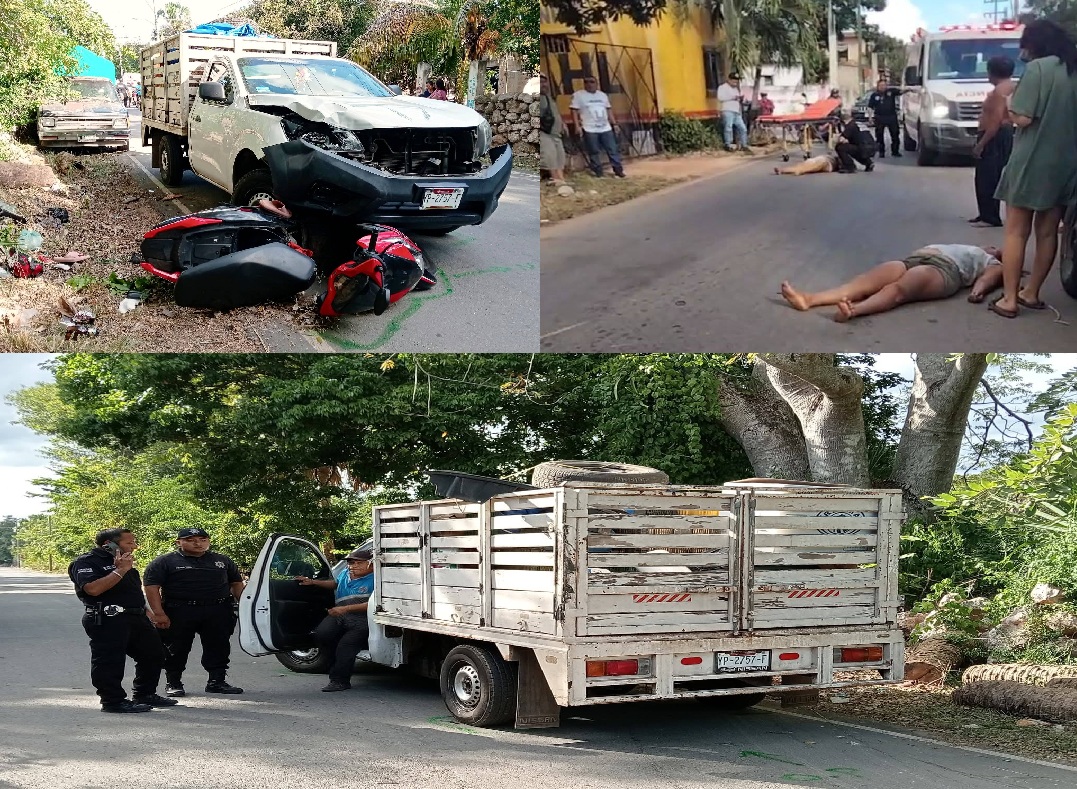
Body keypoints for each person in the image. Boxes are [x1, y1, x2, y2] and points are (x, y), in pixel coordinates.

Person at [991, 19, 1077, 319]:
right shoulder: (1072, 69)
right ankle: (1032, 293)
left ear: (1035, 44)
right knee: (1048, 232)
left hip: (1032, 160)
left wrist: (1010, 100)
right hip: (1065, 163)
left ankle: (1010, 299)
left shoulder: (1038, 70)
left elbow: (1023, 118)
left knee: (1016, 232)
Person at [68, 528, 175, 713]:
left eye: (134, 542)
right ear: (108, 544)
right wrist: (121, 570)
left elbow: (132, 593)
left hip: (135, 616)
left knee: (154, 654)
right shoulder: (86, 562)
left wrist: (150, 614)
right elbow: (92, 589)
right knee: (110, 661)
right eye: (129, 543)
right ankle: (112, 701)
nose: (134, 546)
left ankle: (144, 693)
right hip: (107, 618)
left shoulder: (124, 563)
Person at [780, 244, 1004, 322]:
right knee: (861, 283)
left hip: (943, 270)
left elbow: (989, 277)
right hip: (911, 260)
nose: (993, 247)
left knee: (897, 291)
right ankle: (809, 299)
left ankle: (854, 311)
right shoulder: (965, 245)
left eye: (998, 249)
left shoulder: (990, 260)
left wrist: (978, 292)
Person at [143, 527, 246, 697]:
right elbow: (152, 587)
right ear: (179, 542)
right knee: (176, 648)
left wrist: (245, 606)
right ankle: (173, 682)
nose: (198, 543)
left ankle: (217, 681)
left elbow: (236, 584)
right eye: (191, 540)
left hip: (218, 610)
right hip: (180, 610)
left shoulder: (222, 560)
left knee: (219, 646)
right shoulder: (165, 562)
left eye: (202, 539)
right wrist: (158, 613)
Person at [294, 546, 375, 692]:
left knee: (346, 647)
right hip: (340, 615)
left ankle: (339, 681)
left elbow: (373, 604)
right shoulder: (345, 573)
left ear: (371, 564)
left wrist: (345, 609)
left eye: (358, 563)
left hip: (362, 619)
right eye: (351, 563)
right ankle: (338, 662)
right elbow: (335, 584)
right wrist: (313, 582)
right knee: (321, 635)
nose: (353, 566)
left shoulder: (378, 579)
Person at [970, 57, 1017, 229]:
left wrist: (981, 144)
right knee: (992, 174)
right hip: (1003, 134)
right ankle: (985, 213)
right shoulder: (1012, 86)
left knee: (987, 176)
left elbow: (996, 120)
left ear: (992, 72)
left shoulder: (999, 92)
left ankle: (990, 216)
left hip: (994, 135)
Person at [570, 75, 625, 178]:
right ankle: (598, 171)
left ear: (596, 83)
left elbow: (608, 110)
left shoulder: (602, 95)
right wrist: (577, 126)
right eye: (586, 82)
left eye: (592, 82)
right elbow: (574, 111)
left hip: (605, 127)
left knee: (612, 149)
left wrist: (615, 124)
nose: (589, 84)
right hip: (589, 128)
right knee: (593, 151)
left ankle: (618, 170)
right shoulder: (579, 95)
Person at [539, 74, 566, 185]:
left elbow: (555, 112)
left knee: (560, 156)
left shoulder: (548, 97)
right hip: (544, 132)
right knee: (550, 155)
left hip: (555, 133)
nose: (543, 84)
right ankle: (556, 180)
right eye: (540, 82)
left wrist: (563, 124)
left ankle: (561, 180)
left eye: (545, 82)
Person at [834, 109, 875, 174]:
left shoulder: (850, 125)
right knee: (854, 148)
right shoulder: (859, 123)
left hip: (863, 148)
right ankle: (868, 163)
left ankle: (849, 167)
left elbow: (841, 140)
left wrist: (837, 137)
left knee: (840, 147)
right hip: (872, 147)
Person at [717, 73, 750, 152]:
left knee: (743, 128)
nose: (735, 83)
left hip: (736, 111)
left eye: (736, 82)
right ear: (729, 80)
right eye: (733, 81)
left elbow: (737, 99)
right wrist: (733, 97)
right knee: (728, 128)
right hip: (727, 110)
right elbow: (720, 97)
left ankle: (744, 145)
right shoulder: (722, 87)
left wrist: (741, 99)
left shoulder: (735, 89)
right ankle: (728, 145)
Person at [773, 152, 841, 176]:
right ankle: (782, 170)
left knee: (816, 164)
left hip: (830, 162)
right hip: (827, 158)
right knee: (804, 164)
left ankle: (802, 170)